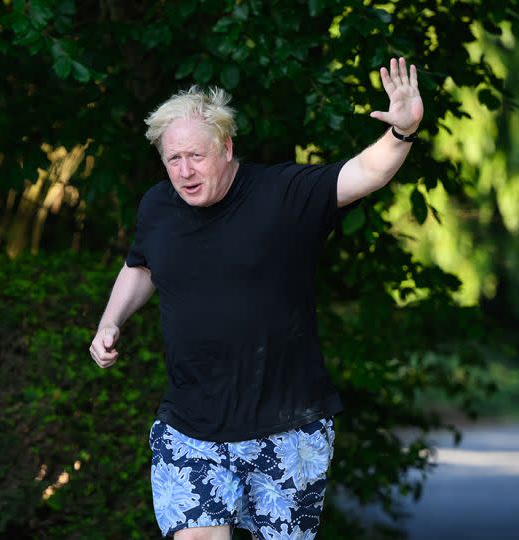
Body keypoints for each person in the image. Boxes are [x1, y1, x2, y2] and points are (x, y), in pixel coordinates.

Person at [89, 57, 423, 540]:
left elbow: (364, 174)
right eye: (172, 159)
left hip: (287, 428)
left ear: (225, 147)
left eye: (195, 157)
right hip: (192, 427)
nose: (183, 171)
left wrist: (402, 134)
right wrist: (110, 321)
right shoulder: (158, 206)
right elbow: (140, 266)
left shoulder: (281, 195)